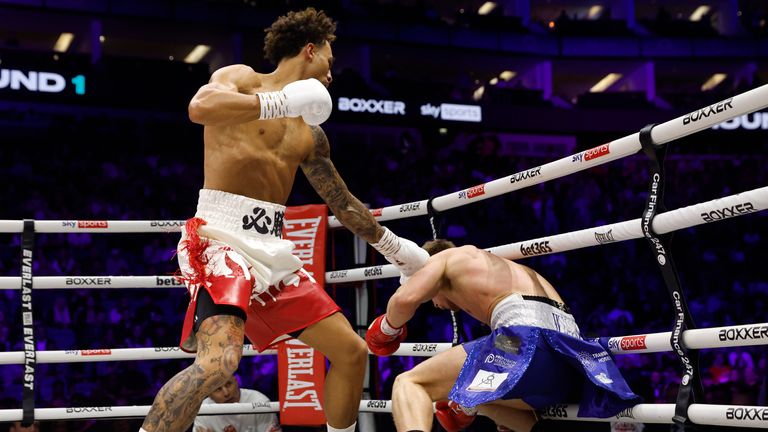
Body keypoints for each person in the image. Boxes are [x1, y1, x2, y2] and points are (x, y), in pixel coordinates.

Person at [140, 7, 428, 432]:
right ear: (309, 51)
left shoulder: (310, 134)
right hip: (220, 240)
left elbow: (342, 203)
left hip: (272, 252)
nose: (331, 75)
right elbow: (199, 107)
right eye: (329, 61)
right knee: (219, 365)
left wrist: (395, 248)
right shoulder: (242, 79)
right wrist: (277, 102)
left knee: (351, 351)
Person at [365, 239, 641, 432]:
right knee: (471, 395)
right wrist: (466, 405)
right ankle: (471, 403)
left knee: (410, 383)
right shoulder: (511, 271)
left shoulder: (446, 258)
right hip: (571, 363)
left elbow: (404, 300)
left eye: (431, 299)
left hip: (523, 338)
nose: (435, 305)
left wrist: (388, 328)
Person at [193, 375, 281, 432]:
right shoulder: (203, 410)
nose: (226, 393)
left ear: (236, 381)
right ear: (208, 394)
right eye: (218, 389)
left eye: (228, 384)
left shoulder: (260, 402)